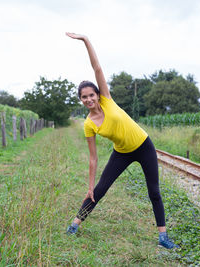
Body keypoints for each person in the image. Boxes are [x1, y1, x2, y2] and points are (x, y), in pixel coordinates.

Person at [65, 32, 179, 249]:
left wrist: (86, 40)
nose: (88, 99)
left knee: (153, 191)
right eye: (84, 97)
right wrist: (89, 185)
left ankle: (163, 237)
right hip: (122, 152)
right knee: (99, 189)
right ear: (80, 100)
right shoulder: (88, 123)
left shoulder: (107, 101)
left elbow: (97, 69)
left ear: (98, 95)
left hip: (144, 146)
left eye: (91, 95)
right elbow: (93, 158)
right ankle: (74, 225)